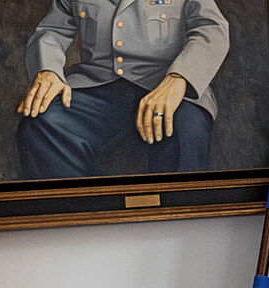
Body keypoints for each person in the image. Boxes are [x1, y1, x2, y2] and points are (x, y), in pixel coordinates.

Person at [15, 0, 230, 178]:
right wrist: (48, 70)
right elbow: (52, 31)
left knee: (186, 129)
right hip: (95, 87)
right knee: (42, 122)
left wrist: (179, 77)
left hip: (166, 86)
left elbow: (211, 27)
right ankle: (74, 221)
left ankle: (178, 224)